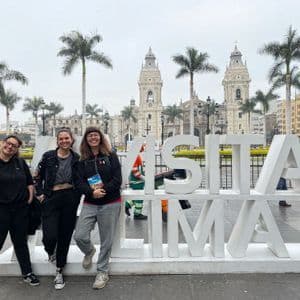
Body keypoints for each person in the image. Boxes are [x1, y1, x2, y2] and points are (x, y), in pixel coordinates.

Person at [74, 127, 122, 289]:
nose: (93, 138)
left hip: (110, 202)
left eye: (96, 135)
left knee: (106, 240)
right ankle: (89, 251)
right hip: (90, 202)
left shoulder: (111, 156)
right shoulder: (82, 160)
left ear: (100, 138)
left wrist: (103, 190)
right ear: (86, 140)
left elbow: (117, 179)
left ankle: (102, 272)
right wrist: (91, 192)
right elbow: (78, 182)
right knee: (80, 235)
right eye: (90, 136)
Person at [35, 128, 80, 290]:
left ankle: (59, 270)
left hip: (70, 198)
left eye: (66, 138)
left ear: (71, 140)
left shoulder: (76, 158)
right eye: (61, 139)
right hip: (51, 198)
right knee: (50, 235)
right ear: (57, 140)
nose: (64, 141)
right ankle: (50, 250)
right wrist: (39, 194)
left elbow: (81, 178)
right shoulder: (48, 156)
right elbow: (37, 177)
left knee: (65, 235)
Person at [0, 135, 40, 286]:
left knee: (20, 242)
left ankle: (27, 272)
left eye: (14, 146)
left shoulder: (20, 162)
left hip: (20, 209)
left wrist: (29, 198)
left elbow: (30, 182)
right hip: (1, 209)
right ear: (3, 143)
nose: (10, 147)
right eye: (8, 144)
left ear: (16, 150)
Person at [125, 146, 147, 220]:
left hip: (137, 181)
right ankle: (137, 214)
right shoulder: (136, 156)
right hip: (137, 181)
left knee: (137, 197)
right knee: (139, 199)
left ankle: (126, 206)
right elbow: (135, 171)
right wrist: (144, 178)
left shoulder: (136, 156)